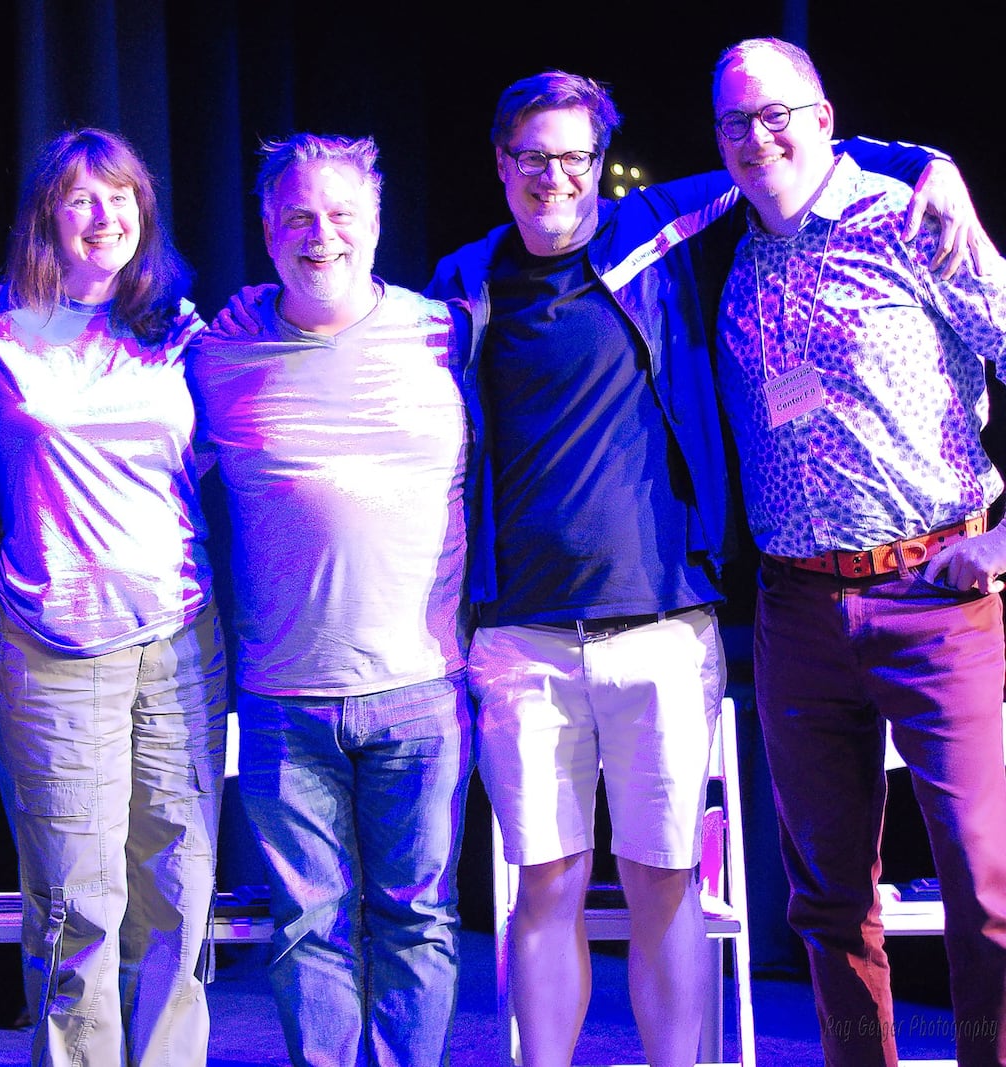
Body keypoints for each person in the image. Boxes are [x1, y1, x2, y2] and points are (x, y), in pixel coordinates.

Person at [422, 71, 986, 1067]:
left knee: (968, 888)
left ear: (602, 162)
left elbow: (794, 156)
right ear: (501, 163)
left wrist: (924, 161)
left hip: (703, 620)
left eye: (575, 156)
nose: (556, 176)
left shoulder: (657, 226)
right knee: (591, 883)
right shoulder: (461, 285)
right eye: (533, 156)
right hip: (557, 631)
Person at [710, 37, 1006, 1066]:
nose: (759, 139)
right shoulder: (725, 243)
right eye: (735, 122)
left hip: (935, 591)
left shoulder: (910, 220)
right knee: (828, 896)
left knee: (985, 882)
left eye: (778, 113)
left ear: (826, 117)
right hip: (795, 610)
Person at [188, 133, 473, 1067]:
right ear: (268, 232)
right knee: (307, 926)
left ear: (377, 222)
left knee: (417, 919)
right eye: (300, 217)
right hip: (281, 698)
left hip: (424, 688)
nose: (323, 236)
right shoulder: (218, 352)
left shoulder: (447, 332)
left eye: (343, 214)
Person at [0, 127, 228, 1067]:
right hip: (49, 641)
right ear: (46, 214)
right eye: (81, 197)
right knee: (77, 902)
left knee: (177, 890)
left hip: (179, 637)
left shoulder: (183, 330)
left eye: (121, 196)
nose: (104, 215)